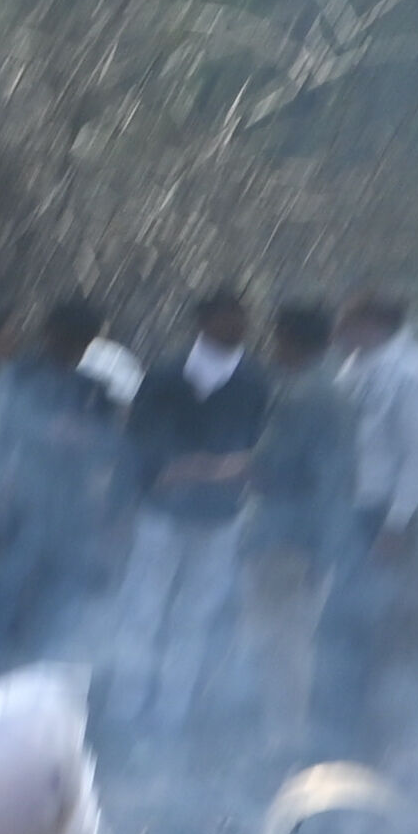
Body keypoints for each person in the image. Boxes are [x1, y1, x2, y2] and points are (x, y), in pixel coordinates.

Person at [108, 289, 268, 743]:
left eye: (242, 318)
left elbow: (258, 449)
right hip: (160, 514)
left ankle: (169, 716)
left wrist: (209, 471)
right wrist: (155, 479)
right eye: (227, 318)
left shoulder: (255, 382)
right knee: (143, 609)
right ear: (202, 321)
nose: (237, 327)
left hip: (218, 519)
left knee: (193, 618)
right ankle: (125, 711)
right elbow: (136, 441)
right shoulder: (165, 374)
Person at [0, 293, 123, 687]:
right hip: (7, 520)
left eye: (82, 342)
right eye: (68, 339)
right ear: (49, 334)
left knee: (51, 628)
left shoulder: (93, 392)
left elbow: (111, 451)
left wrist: (85, 442)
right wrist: (47, 434)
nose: (73, 349)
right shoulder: (14, 376)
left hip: (68, 529)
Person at [319, 288, 418, 751]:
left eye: (348, 325)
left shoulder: (414, 371)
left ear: (373, 324)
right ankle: (332, 729)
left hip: (378, 515)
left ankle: (362, 737)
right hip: (344, 512)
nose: (340, 335)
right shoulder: (354, 367)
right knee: (335, 627)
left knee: (365, 626)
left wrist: (397, 524)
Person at [243, 300, 348, 755]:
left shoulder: (299, 395)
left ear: (288, 340)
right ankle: (285, 737)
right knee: (293, 641)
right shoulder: (336, 393)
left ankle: (283, 743)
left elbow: (270, 465)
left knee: (280, 644)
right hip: (315, 538)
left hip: (285, 537)